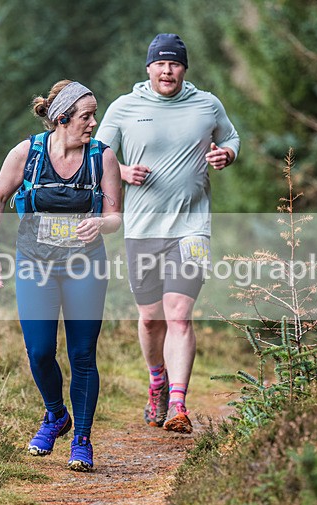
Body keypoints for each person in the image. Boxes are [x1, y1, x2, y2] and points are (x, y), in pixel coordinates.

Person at [96, 33, 239, 433]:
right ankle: (156, 381)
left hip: (192, 229)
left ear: (184, 68)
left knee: (179, 316)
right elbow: (97, 155)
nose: (167, 70)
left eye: (174, 63)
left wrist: (226, 153)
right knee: (150, 319)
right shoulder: (125, 107)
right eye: (160, 63)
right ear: (148, 68)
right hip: (142, 229)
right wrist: (122, 171)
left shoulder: (207, 104)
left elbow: (230, 136)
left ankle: (178, 404)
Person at [0, 80, 122, 471]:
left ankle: (82, 439)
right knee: (40, 350)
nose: (94, 123)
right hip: (34, 264)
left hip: (85, 267)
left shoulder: (102, 158)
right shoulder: (27, 153)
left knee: (82, 355)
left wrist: (101, 225)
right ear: (61, 119)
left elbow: (115, 215)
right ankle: (56, 415)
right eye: (86, 116)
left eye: (94, 115)